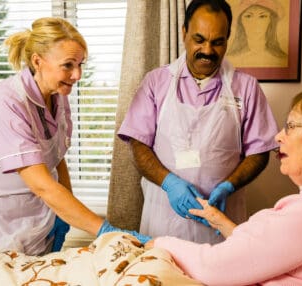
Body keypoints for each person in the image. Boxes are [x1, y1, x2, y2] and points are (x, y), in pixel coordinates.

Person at [146, 85, 302, 285]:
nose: (277, 137)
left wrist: (158, 242)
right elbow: (268, 249)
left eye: (291, 126)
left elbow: (216, 267)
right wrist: (221, 221)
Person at [0, 17, 150, 257]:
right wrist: (106, 231)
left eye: (81, 64)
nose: (77, 74)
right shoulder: (7, 102)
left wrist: (61, 212)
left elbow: (56, 157)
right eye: (68, 65)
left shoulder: (58, 98)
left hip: (38, 223)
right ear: (37, 61)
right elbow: (41, 183)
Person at [118, 0, 279, 244]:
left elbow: (259, 152)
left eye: (217, 42)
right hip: (164, 216)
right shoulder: (156, 82)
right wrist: (169, 183)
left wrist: (229, 185)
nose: (207, 50)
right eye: (199, 39)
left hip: (221, 221)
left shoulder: (246, 87)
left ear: (228, 38)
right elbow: (138, 144)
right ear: (184, 33)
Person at [226, 0, 288, 67]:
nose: (255, 23)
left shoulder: (281, 58)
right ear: (240, 22)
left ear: (271, 21)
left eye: (262, 16)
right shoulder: (230, 58)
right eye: (248, 16)